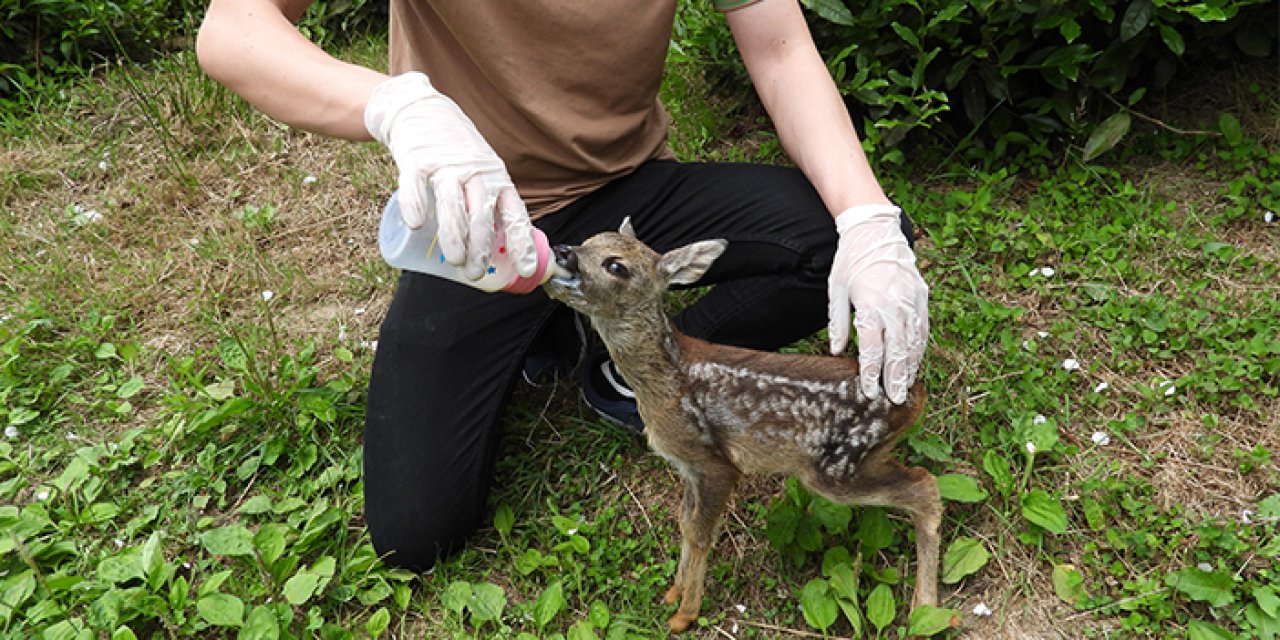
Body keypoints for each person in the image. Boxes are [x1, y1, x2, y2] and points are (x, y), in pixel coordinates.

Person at [196, 0, 929, 571]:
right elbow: (235, 30)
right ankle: (550, 332)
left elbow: (779, 45)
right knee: (416, 531)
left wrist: (867, 220)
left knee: (835, 236)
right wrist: (401, 107)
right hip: (485, 221)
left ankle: (621, 371)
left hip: (632, 196)